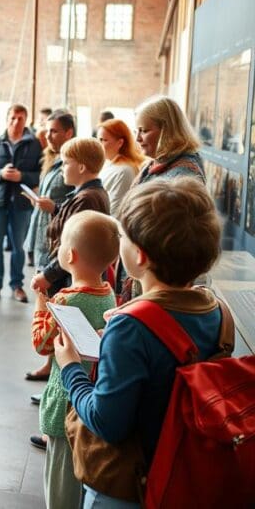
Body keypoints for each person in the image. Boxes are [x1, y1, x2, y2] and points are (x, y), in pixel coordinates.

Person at [54, 178, 223, 508]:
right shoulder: (215, 309)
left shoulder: (130, 328)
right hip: (188, 472)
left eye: (123, 237)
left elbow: (106, 422)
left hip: (130, 486)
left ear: (140, 256)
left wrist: (71, 368)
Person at [31, 211, 118, 509]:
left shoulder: (65, 299)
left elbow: (42, 344)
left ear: (69, 254)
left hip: (65, 397)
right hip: (91, 395)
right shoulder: (109, 294)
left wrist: (41, 304)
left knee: (59, 480)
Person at [23, 110, 75, 383]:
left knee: (53, 305)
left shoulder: (72, 162)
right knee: (45, 303)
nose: (48, 135)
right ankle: (49, 360)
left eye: (54, 130)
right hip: (44, 237)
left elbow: (70, 210)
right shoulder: (53, 159)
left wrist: (52, 206)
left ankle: (54, 364)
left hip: (57, 246)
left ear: (68, 132)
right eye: (48, 130)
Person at [0, 104, 42, 303]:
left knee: (18, 247)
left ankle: (17, 285)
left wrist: (22, 176)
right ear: (7, 119)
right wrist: (0, 174)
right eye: (12, 118)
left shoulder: (35, 145)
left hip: (22, 204)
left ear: (26, 121)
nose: (16, 122)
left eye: (20, 118)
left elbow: (41, 174)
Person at [29, 138, 110, 296]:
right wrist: (56, 208)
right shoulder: (88, 195)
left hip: (68, 280)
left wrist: (47, 275)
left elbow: (73, 247)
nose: (62, 169)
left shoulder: (87, 198)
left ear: (81, 167)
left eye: (65, 163)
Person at [134, 96, 204, 184]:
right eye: (136, 131)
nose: (137, 138)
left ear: (167, 130)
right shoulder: (155, 163)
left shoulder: (182, 178)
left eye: (144, 130)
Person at [96, 118, 144, 217]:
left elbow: (115, 212)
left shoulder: (125, 171)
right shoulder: (108, 164)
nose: (99, 144)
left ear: (120, 143)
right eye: (98, 140)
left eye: (103, 140)